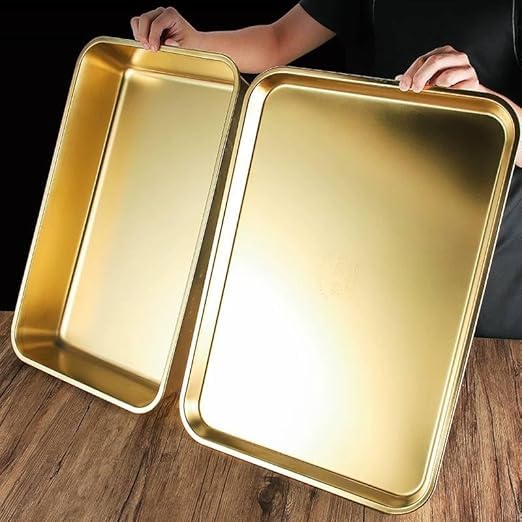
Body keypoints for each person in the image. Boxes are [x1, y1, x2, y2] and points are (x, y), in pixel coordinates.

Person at [131, 1, 522, 339]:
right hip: (388, 248)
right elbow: (277, 41)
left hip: (494, 270)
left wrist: (490, 107)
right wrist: (194, 41)